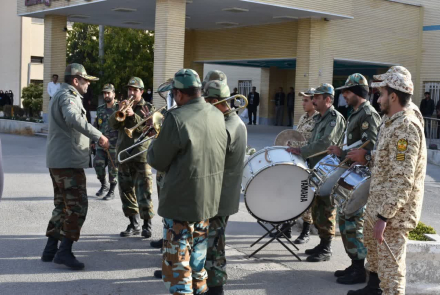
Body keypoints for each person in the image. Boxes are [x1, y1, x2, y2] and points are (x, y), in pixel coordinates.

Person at [147, 69, 227, 295]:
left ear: (179, 94)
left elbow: (157, 159)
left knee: (178, 266)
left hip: (181, 203)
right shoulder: (217, 114)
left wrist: (156, 139)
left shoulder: (176, 117)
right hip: (207, 203)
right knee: (198, 263)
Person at [347, 67, 426, 295]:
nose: (377, 98)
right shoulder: (390, 121)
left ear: (393, 96)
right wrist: (367, 156)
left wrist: (384, 216)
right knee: (375, 257)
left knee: (391, 272)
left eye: (381, 94)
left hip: (394, 214)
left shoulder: (405, 127)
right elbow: (388, 161)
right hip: (378, 202)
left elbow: (403, 178)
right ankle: (372, 289)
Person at [41, 63, 109, 270]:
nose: (88, 84)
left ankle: (50, 250)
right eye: (86, 80)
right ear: (76, 81)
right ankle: (64, 251)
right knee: (77, 206)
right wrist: (98, 136)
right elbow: (72, 117)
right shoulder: (68, 96)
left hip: (59, 161)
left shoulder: (61, 95)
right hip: (67, 163)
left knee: (62, 206)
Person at [328, 74, 381, 285]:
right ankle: (354, 263)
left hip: (361, 177)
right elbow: (355, 144)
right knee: (345, 219)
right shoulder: (355, 112)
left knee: (353, 221)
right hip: (352, 173)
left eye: (347, 91)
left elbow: (372, 144)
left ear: (358, 92)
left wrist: (345, 153)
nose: (344, 95)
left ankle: (360, 268)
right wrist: (341, 152)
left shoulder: (368, 114)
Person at [287, 83, 346, 262]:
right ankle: (321, 243)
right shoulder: (321, 118)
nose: (313, 100)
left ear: (327, 99)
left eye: (317, 98)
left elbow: (325, 143)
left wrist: (302, 151)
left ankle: (326, 248)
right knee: (317, 208)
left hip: (328, 169)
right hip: (316, 168)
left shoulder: (334, 118)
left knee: (327, 208)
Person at [203, 75, 247, 295]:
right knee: (213, 240)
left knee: (214, 242)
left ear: (215, 102)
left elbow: (208, 156)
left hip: (220, 194)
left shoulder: (228, 125)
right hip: (220, 192)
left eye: (207, 102)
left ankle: (216, 285)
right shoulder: (230, 121)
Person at [109, 77, 155, 239]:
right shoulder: (121, 105)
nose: (131, 92)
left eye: (135, 90)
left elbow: (147, 129)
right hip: (124, 153)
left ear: (141, 92)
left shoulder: (148, 108)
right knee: (126, 190)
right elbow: (112, 125)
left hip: (141, 154)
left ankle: (147, 225)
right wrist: (118, 112)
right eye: (130, 89)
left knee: (144, 191)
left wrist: (132, 115)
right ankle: (133, 223)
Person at [269, 88, 318, 241]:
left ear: (314, 101)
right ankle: (287, 228)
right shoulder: (303, 117)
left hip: (309, 162)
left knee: (306, 196)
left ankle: (306, 231)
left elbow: (312, 143)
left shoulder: (318, 119)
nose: (302, 103)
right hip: (296, 160)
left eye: (306, 100)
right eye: (302, 100)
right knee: (291, 193)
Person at [91, 84, 119, 200]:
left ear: (113, 94)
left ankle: (111, 191)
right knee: (98, 164)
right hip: (101, 143)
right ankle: (104, 185)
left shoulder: (120, 108)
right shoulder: (100, 109)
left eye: (108, 93)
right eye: (104, 93)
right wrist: (93, 140)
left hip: (115, 144)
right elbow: (96, 125)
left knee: (113, 168)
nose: (106, 95)